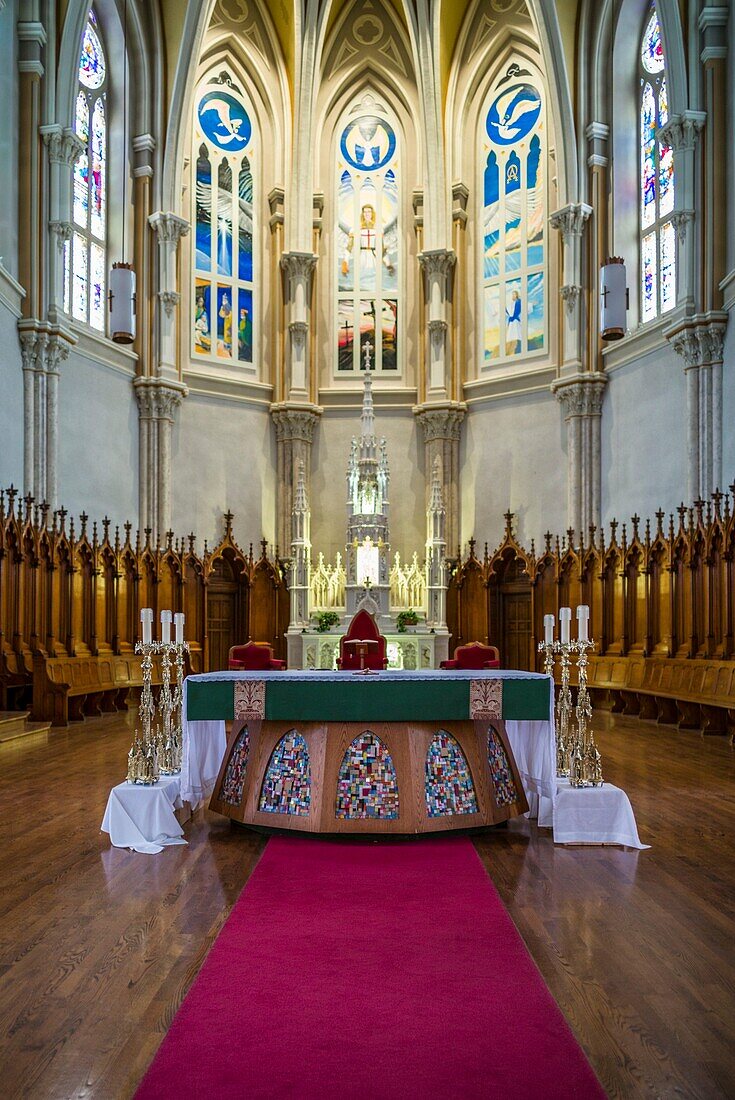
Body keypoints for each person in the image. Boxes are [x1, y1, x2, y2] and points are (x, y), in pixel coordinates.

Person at [506, 289, 522, 355]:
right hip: (512, 320)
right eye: (512, 294)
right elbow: (508, 310)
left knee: (516, 331)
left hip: (515, 320)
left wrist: (513, 316)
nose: (513, 296)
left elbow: (517, 310)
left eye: (514, 294)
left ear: (516, 295)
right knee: (510, 332)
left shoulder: (518, 302)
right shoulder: (511, 303)